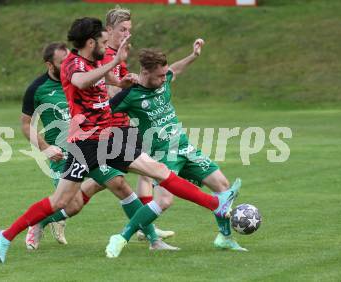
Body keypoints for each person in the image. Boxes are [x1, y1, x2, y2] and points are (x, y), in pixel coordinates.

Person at [0, 17, 239, 264]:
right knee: (62, 201)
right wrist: (114, 63)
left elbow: (105, 83)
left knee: (157, 171)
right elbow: (81, 81)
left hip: (108, 137)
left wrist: (122, 81)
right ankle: (6, 236)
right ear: (90, 42)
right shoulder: (72, 64)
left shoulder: (94, 61)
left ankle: (214, 205)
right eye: (103, 41)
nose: (105, 45)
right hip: (86, 143)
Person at [19, 43, 177, 251]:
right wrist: (46, 148)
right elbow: (25, 124)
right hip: (64, 154)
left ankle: (153, 240)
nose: (68, 64)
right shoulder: (37, 89)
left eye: (69, 59)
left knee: (120, 185)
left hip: (93, 146)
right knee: (72, 205)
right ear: (49, 65)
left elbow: (108, 93)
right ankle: (39, 222)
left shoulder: (82, 77)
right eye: (61, 62)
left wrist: (123, 84)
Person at [106, 44, 247, 258]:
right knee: (163, 201)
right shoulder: (130, 94)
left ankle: (225, 238)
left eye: (165, 75)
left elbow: (176, 70)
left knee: (222, 185)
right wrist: (117, 88)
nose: (165, 79)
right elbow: (103, 110)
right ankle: (121, 237)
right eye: (160, 75)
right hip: (163, 155)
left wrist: (193, 55)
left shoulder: (164, 79)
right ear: (145, 72)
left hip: (184, 148)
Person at [102, 6, 174, 240]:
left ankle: (147, 226)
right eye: (122, 30)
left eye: (129, 30)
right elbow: (109, 96)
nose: (127, 34)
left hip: (124, 125)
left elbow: (118, 87)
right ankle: (47, 219)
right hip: (110, 128)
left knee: (145, 173)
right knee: (99, 184)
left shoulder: (118, 55)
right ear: (109, 29)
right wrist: (127, 85)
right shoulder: (105, 57)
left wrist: (129, 80)